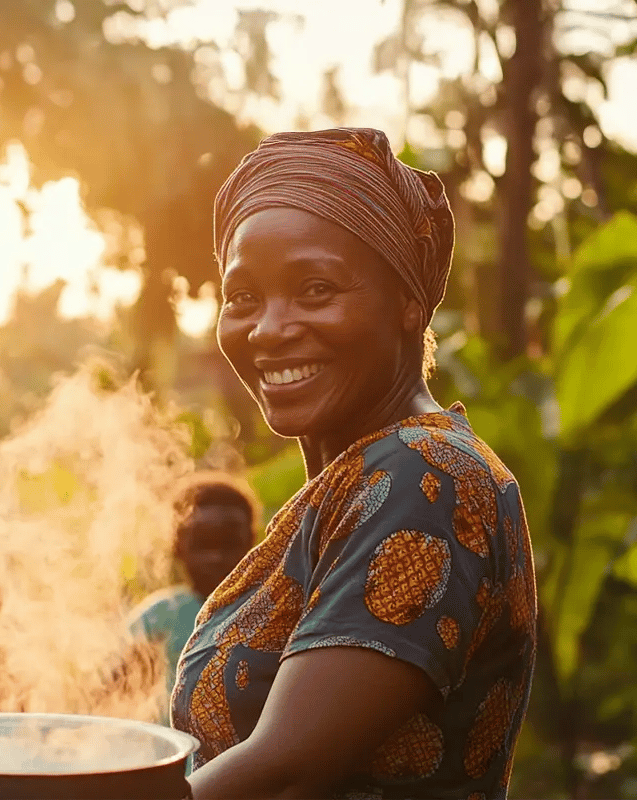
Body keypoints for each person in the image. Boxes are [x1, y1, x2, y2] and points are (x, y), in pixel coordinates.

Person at [172, 128, 538, 800]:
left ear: (409, 300)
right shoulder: (363, 482)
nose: (269, 329)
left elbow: (287, 771)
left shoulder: (424, 476)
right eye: (243, 297)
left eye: (315, 289)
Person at [127, 472, 259, 701]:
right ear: (177, 546)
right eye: (203, 545)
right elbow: (115, 690)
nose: (216, 557)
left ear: (252, 541)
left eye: (228, 543)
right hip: (168, 736)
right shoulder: (159, 617)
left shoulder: (274, 611)